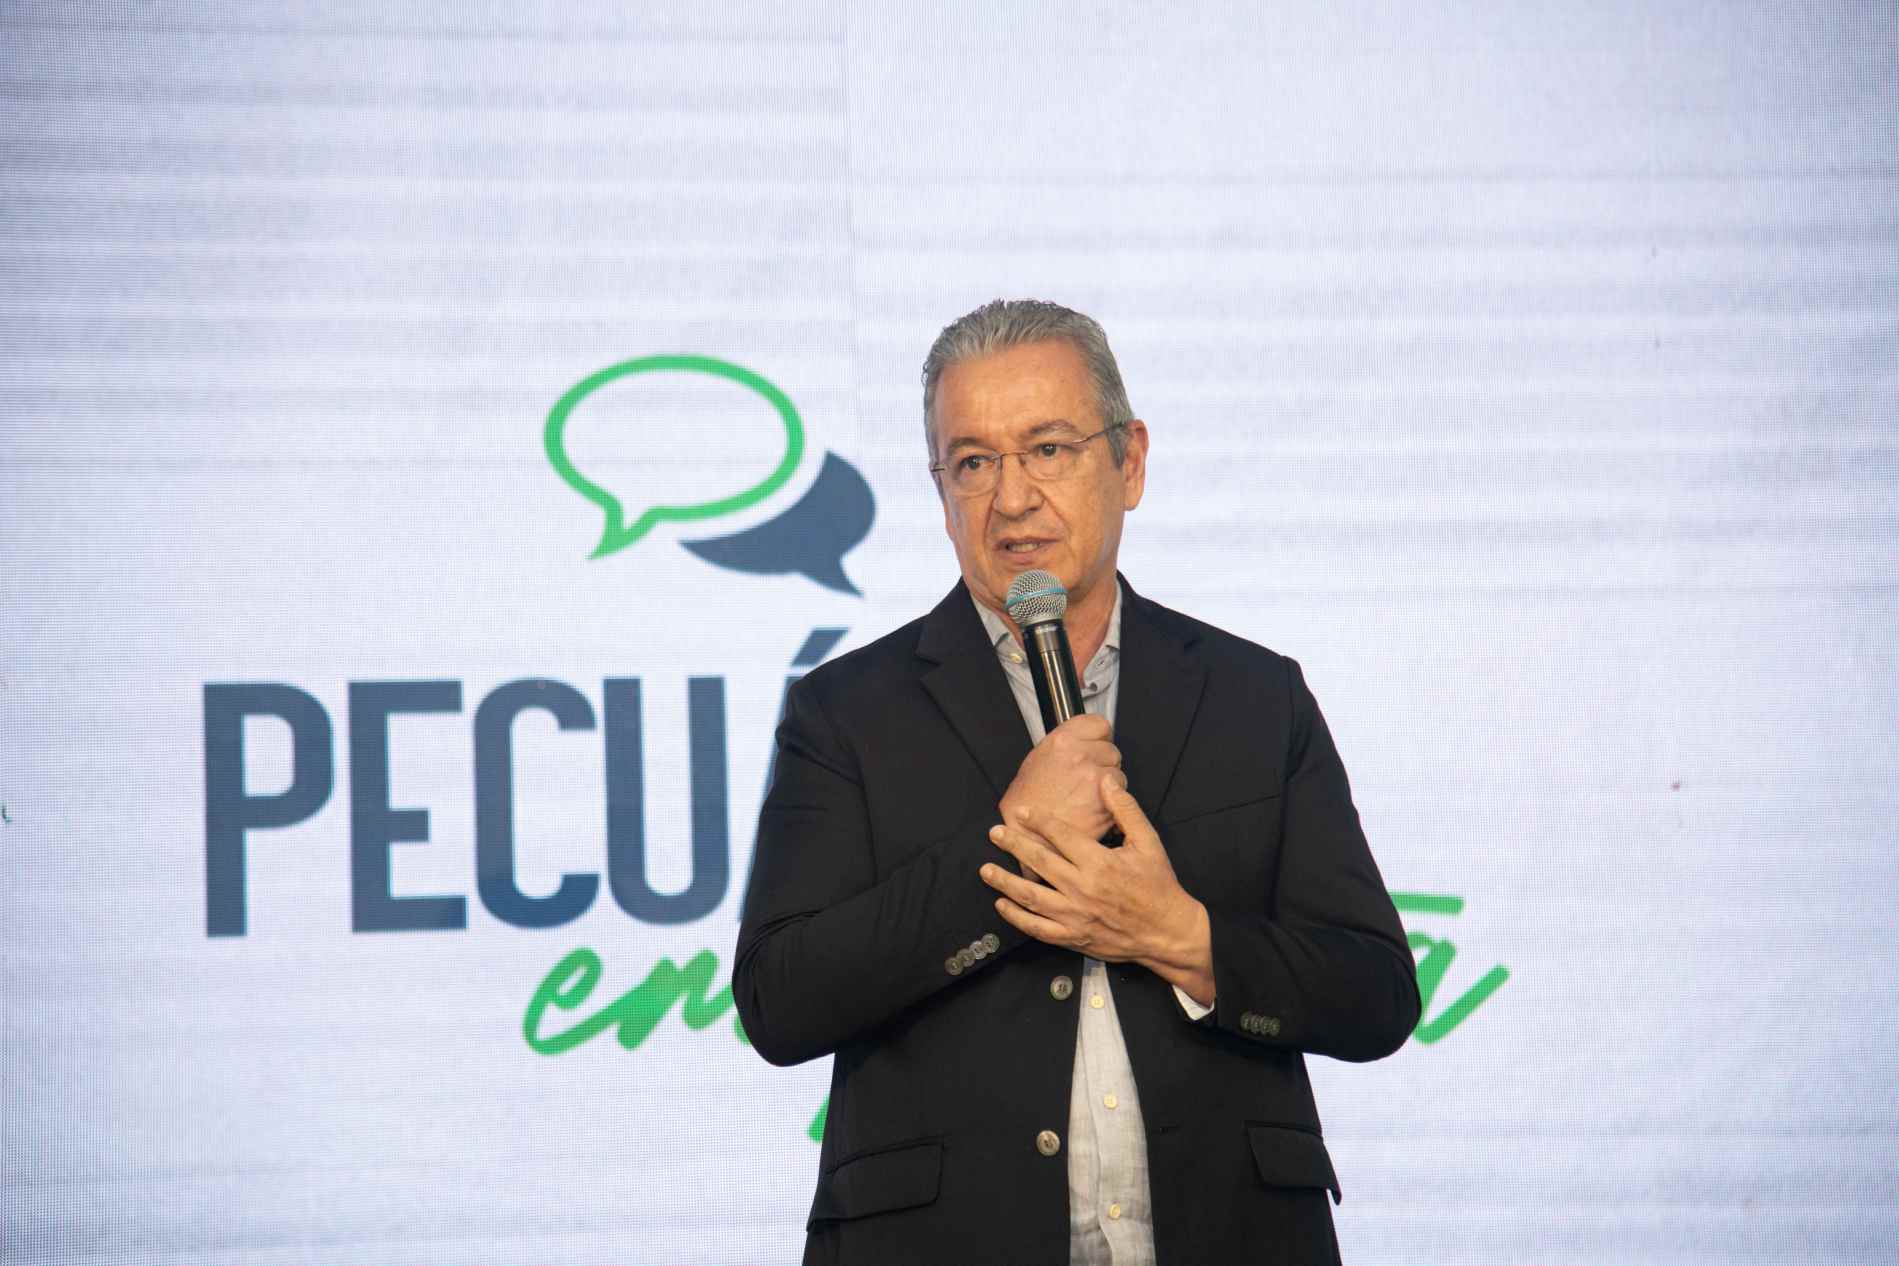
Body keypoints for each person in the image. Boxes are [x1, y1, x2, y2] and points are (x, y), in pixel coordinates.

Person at [734, 299, 1419, 1265]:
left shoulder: (1254, 696)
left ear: (1128, 462)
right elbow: (780, 1001)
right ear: (941, 492)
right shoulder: (845, 711)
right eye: (972, 463)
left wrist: (1178, 936)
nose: (1011, 498)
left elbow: (1374, 993)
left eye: (1048, 449)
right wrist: (1011, 848)